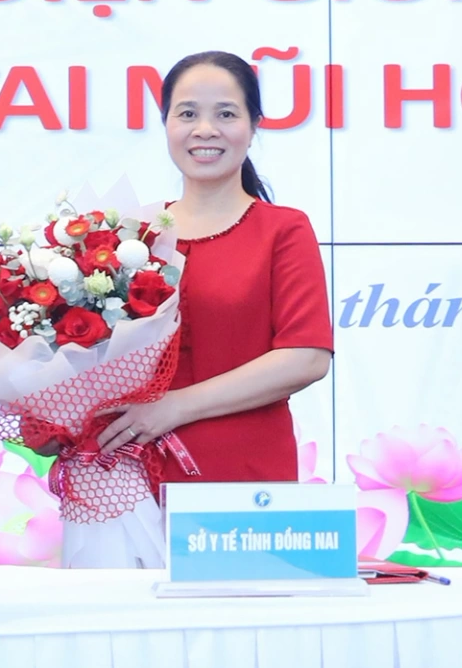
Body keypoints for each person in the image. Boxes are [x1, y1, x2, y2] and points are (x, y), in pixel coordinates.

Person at [95, 50, 333, 481]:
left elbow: (306, 357)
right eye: (187, 114)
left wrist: (176, 407)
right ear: (166, 124)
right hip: (127, 475)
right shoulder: (129, 238)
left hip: (242, 479)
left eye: (226, 114)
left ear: (253, 126)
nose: (205, 129)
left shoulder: (283, 230)